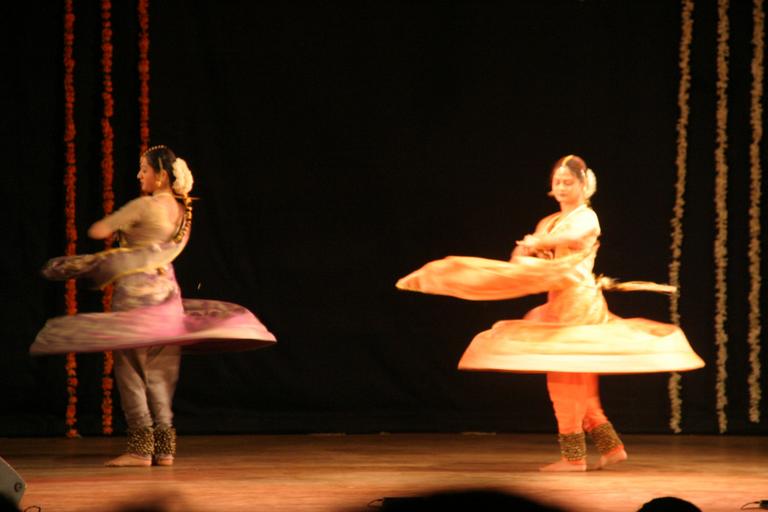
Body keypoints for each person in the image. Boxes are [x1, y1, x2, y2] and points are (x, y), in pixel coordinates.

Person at [397, 155, 704, 472]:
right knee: (579, 380)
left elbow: (571, 239)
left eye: (568, 182)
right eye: (557, 182)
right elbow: (528, 259)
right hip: (558, 303)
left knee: (563, 380)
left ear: (583, 185)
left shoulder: (587, 217)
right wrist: (523, 255)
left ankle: (574, 457)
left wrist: (538, 242)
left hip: (580, 304)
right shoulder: (548, 222)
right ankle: (611, 447)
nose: (561, 187)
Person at [32, 146, 276, 467]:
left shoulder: (145, 206)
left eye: (144, 170)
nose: (139, 175)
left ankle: (140, 449)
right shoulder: (183, 211)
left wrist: (124, 233)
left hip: (137, 297)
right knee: (161, 375)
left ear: (161, 175)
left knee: (131, 371)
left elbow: (98, 230)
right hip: (167, 297)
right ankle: (164, 449)